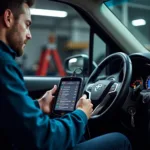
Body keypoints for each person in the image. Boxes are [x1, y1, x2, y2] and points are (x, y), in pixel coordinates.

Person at [0, 0, 132, 150]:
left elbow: (9, 116)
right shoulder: (4, 65)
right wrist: (81, 114)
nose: (29, 35)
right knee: (120, 140)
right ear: (8, 18)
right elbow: (44, 138)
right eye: (27, 24)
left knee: (79, 137)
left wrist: (38, 105)